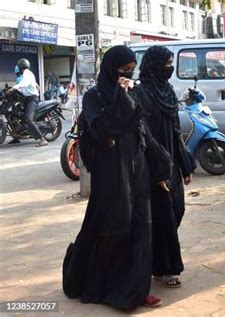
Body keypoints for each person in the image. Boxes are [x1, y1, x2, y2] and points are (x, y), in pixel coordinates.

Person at [62, 45, 172, 309]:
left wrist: (159, 170)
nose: (128, 75)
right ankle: (107, 285)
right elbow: (103, 128)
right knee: (115, 229)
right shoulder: (94, 97)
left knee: (142, 229)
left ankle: (136, 289)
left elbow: (143, 131)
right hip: (111, 176)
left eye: (132, 70)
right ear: (111, 69)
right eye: (123, 70)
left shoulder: (135, 92)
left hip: (139, 170)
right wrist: (121, 95)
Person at [134, 46, 196, 288]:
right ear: (154, 65)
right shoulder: (140, 94)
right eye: (167, 63)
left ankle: (158, 263)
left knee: (177, 210)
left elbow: (176, 131)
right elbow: (143, 135)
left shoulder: (168, 91)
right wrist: (157, 169)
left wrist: (185, 163)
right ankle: (168, 268)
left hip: (171, 163)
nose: (170, 68)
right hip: (153, 164)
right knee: (164, 217)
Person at [6, 59, 48, 146]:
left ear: (21, 67)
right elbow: (33, 84)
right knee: (18, 115)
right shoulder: (28, 74)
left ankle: (42, 139)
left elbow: (24, 83)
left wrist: (13, 88)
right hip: (27, 99)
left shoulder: (27, 74)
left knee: (28, 119)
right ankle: (17, 137)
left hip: (32, 99)